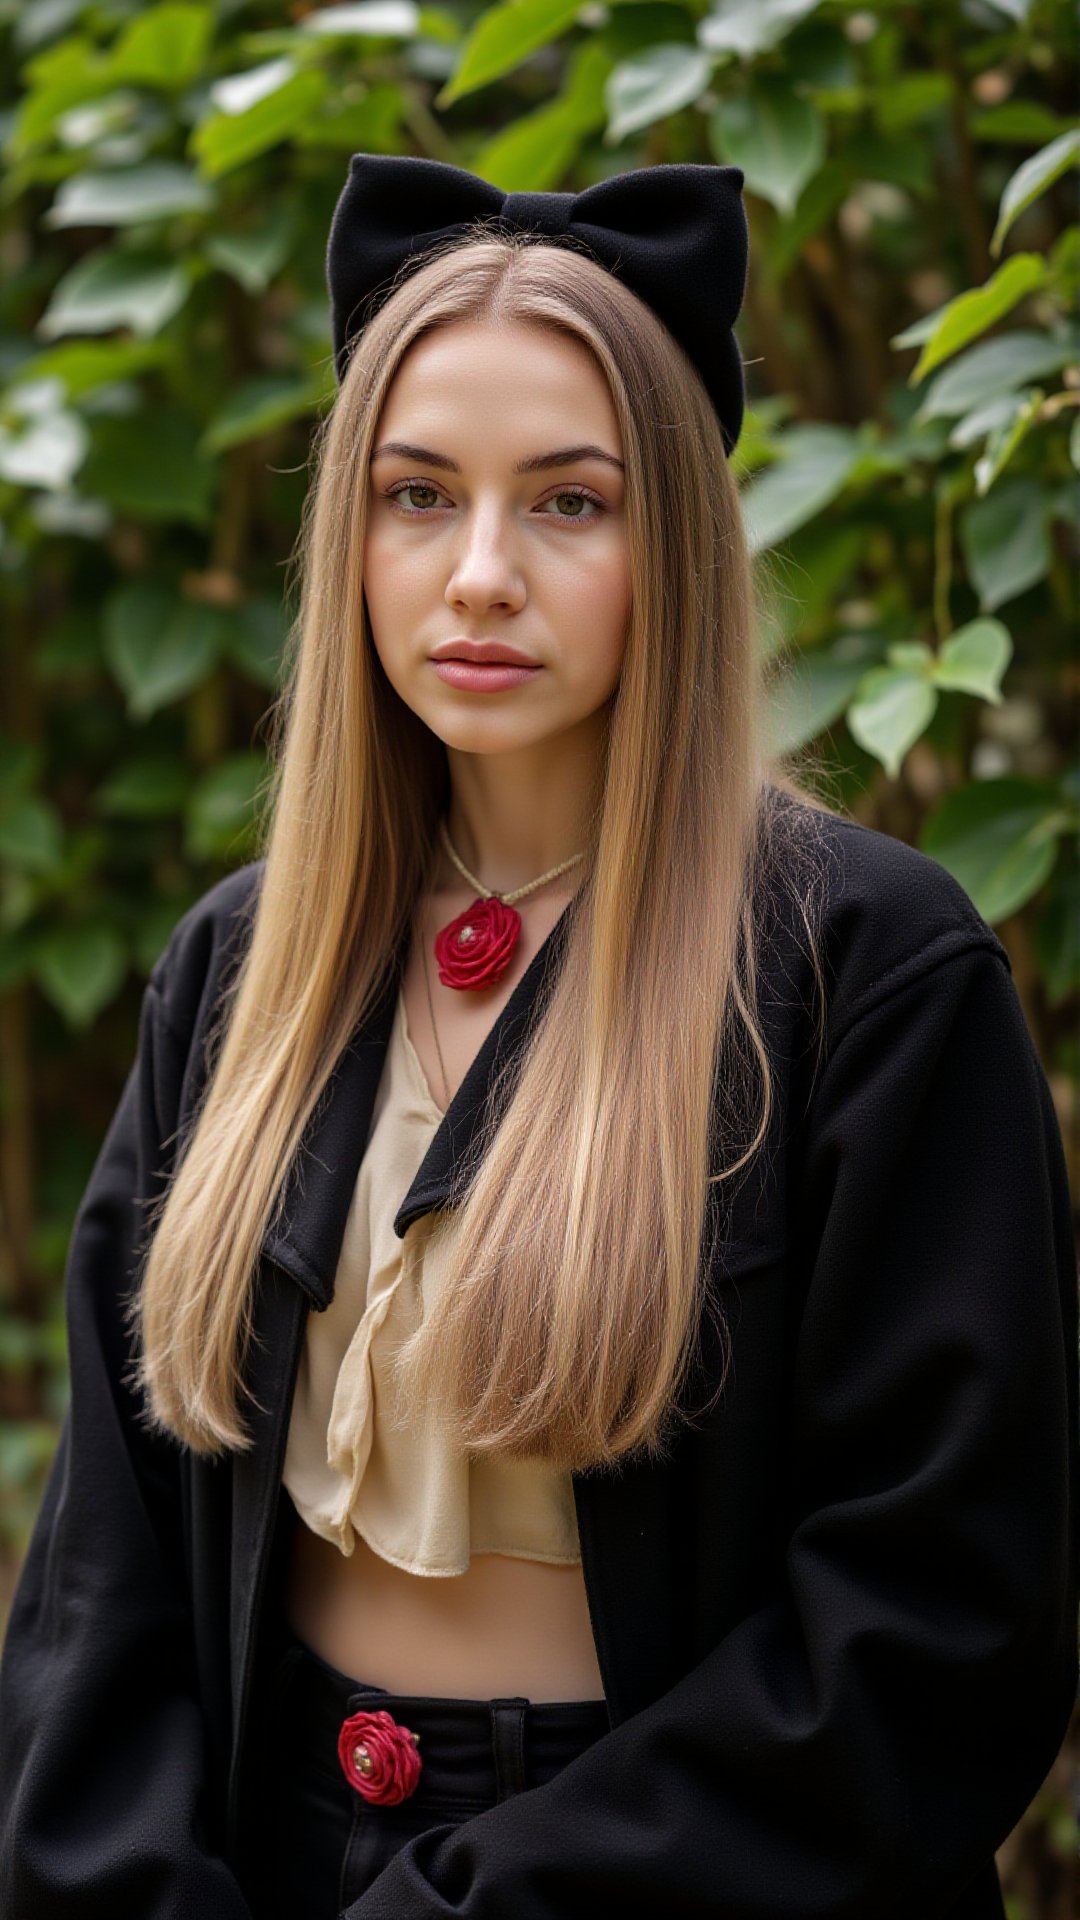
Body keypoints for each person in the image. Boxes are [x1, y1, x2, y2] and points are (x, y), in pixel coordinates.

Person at [0, 152, 1075, 1920]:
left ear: (678, 542)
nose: (481, 573)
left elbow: (937, 1627)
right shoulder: (238, 963)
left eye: (570, 505)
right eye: (419, 496)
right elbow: (102, 1567)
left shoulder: (864, 974)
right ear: (348, 535)